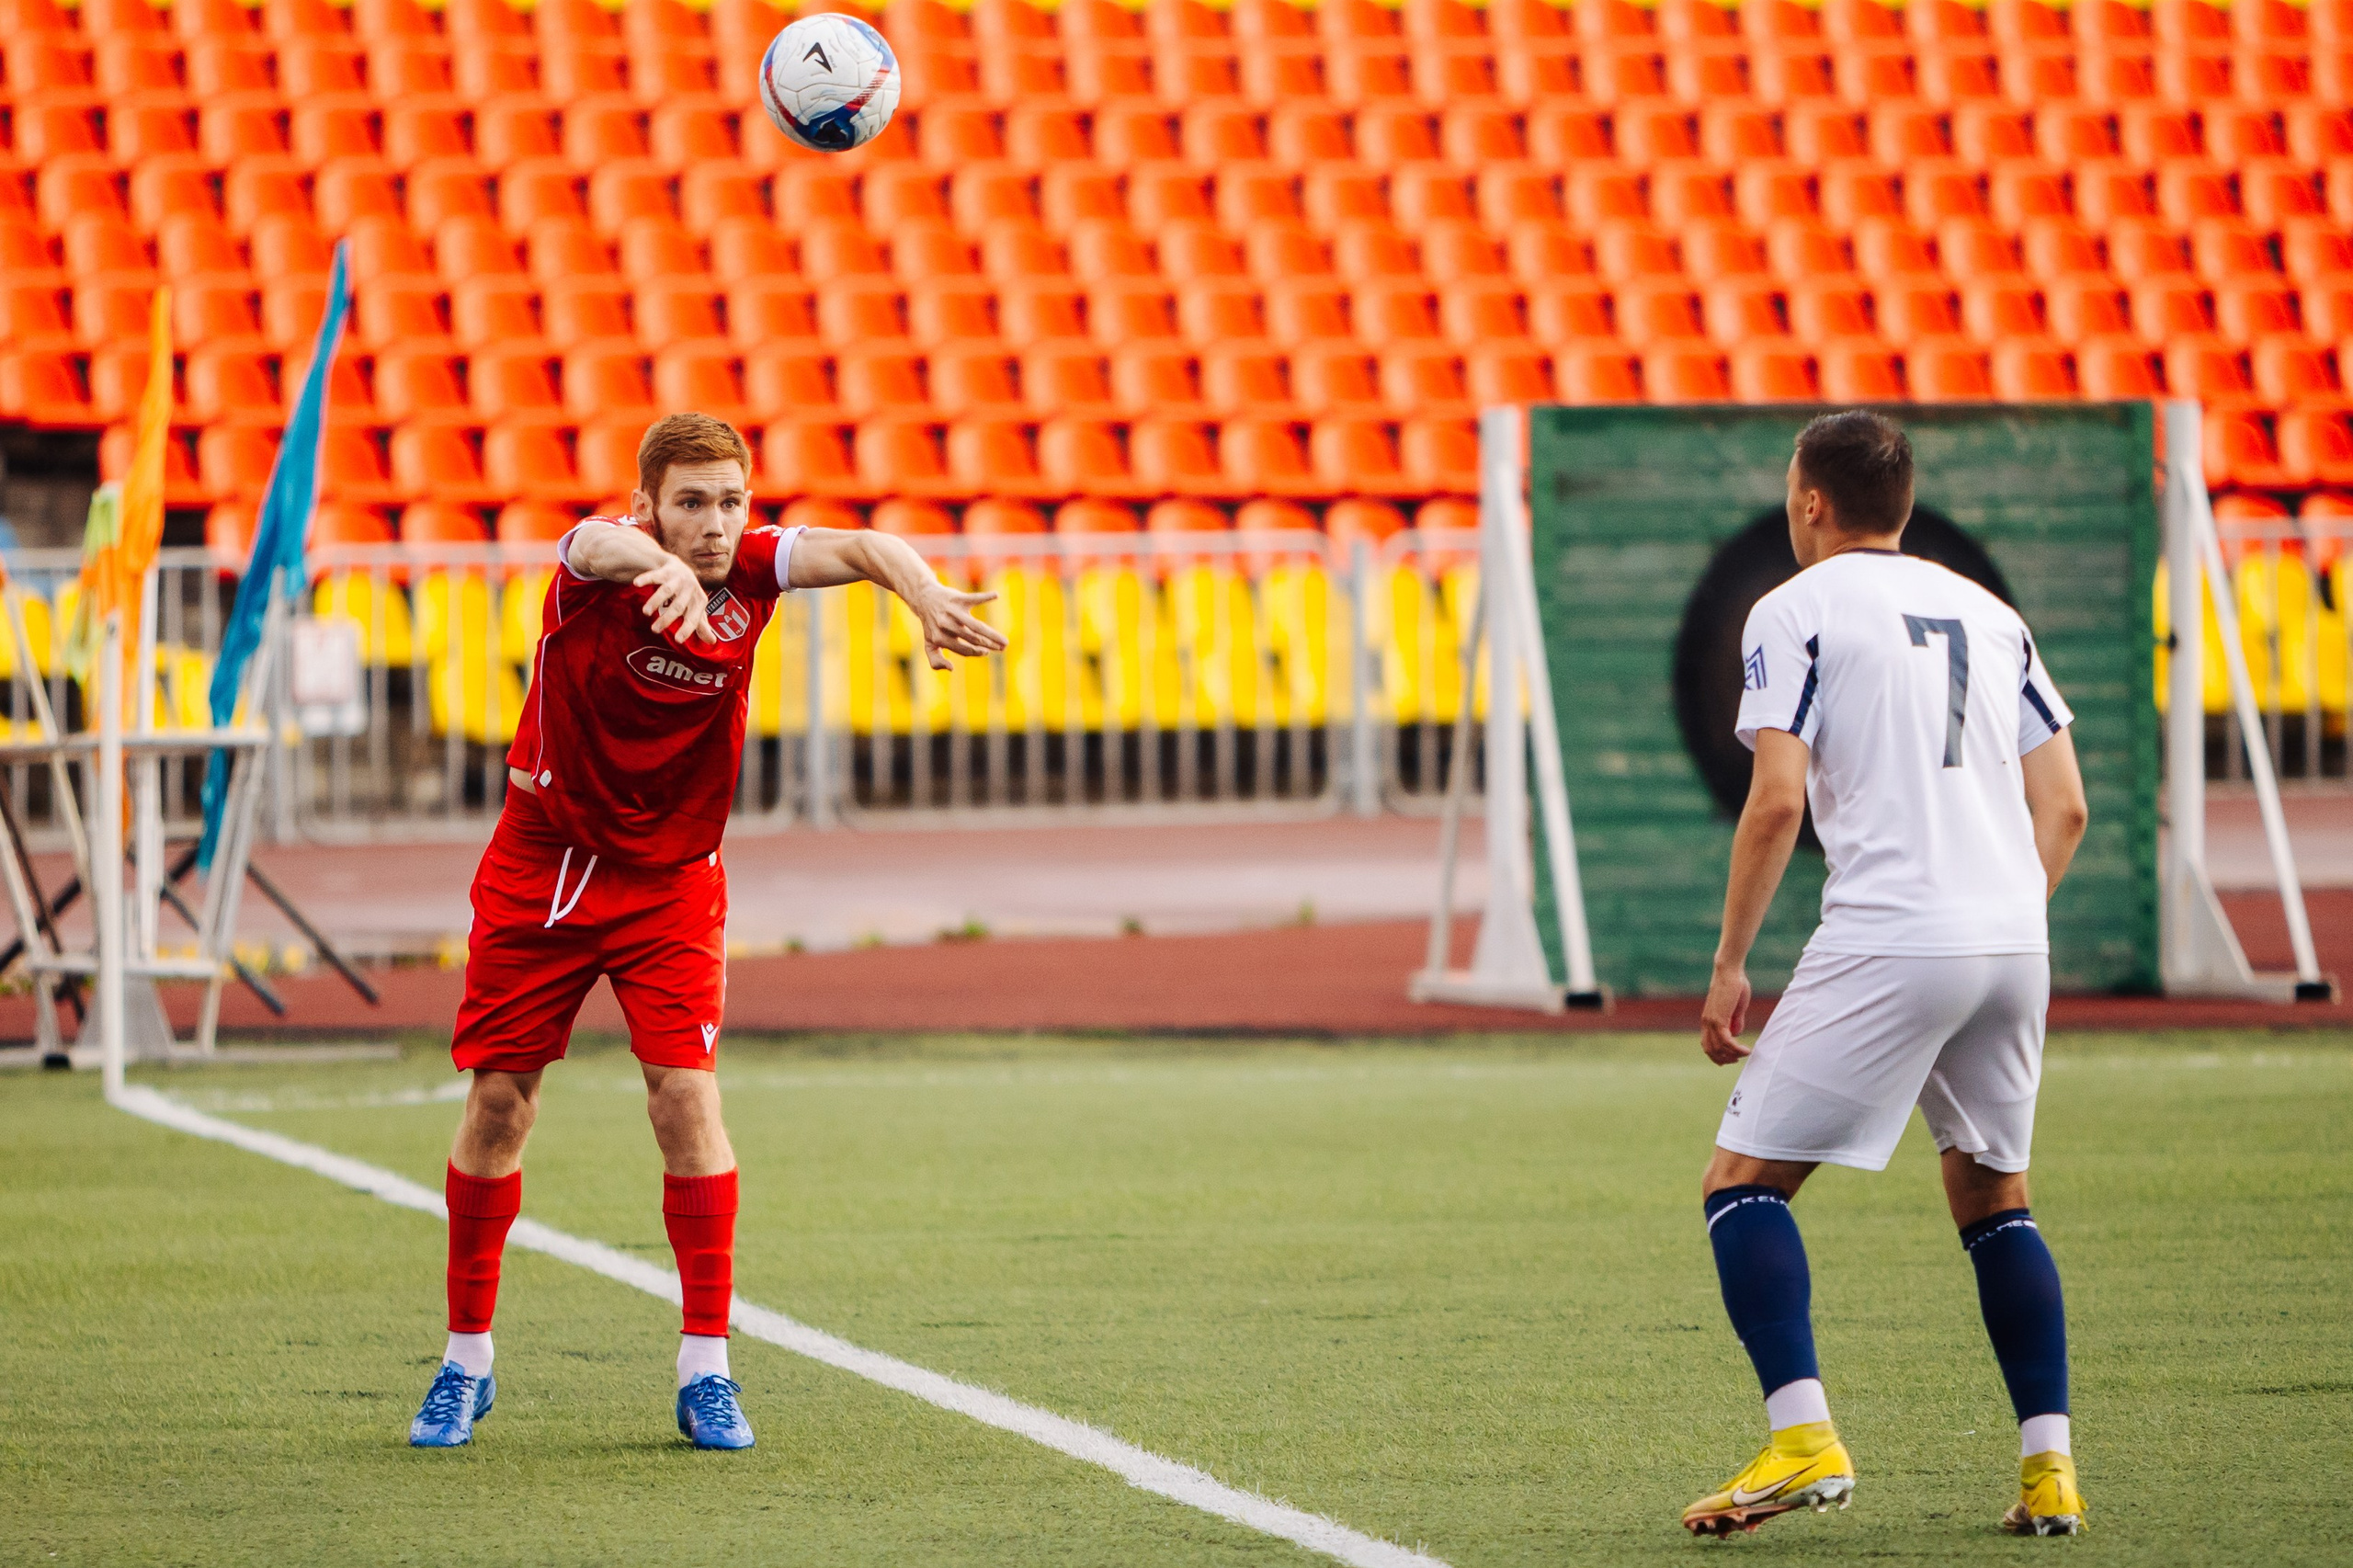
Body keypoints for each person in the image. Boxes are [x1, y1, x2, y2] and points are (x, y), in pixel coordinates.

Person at [408, 413, 1006, 1450]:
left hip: (673, 880)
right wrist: (654, 562)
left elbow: (863, 546)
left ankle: (707, 1367)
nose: (717, 524)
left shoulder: (756, 571)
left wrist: (921, 593)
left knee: (686, 1098)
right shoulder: (600, 568)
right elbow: (589, 540)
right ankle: (465, 1359)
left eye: (730, 501)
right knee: (500, 1103)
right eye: (691, 501)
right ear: (649, 504)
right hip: (545, 861)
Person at [1680, 411, 2092, 1538]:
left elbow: (1774, 799)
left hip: (1889, 930)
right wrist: (1993, 919)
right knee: (1993, 1198)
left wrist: (1728, 964)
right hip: (2013, 938)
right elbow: (2065, 806)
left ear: (1810, 499)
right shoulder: (1990, 611)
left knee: (1741, 1181)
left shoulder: (1793, 608)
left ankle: (1803, 1437)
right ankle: (2048, 1468)